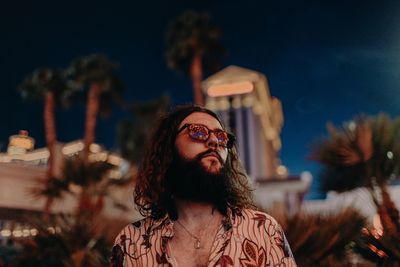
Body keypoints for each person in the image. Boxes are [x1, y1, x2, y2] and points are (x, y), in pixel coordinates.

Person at [110, 105, 296, 267]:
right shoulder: (132, 242)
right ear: (168, 148)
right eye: (198, 131)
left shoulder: (263, 230)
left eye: (221, 137)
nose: (214, 141)